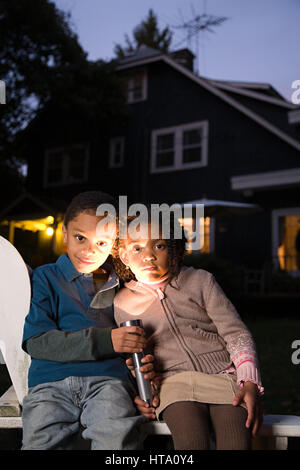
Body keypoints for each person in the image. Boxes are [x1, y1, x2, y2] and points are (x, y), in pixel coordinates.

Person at [112, 213, 264, 450]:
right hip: (173, 384)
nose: (149, 256)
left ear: (173, 248)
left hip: (223, 378)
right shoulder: (122, 303)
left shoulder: (201, 281)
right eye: (137, 248)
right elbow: (134, 359)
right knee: (190, 443)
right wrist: (143, 389)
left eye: (159, 245)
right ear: (124, 256)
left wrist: (249, 381)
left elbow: (235, 333)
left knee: (236, 440)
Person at [21, 191, 156, 450]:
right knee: (41, 442)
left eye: (102, 243)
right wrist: (107, 340)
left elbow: (134, 346)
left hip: (108, 383)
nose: (89, 251)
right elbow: (38, 342)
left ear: (114, 244)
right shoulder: (44, 279)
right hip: (50, 383)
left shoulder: (121, 286)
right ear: (64, 233)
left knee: (117, 440)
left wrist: (141, 380)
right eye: (80, 238)